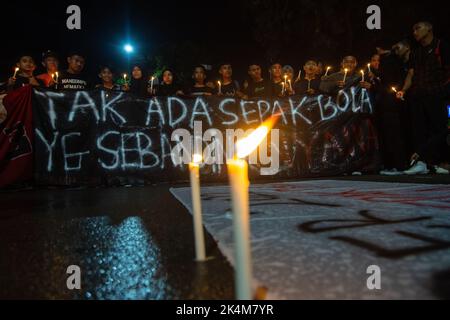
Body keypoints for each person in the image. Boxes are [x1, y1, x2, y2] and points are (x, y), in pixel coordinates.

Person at [396, 21, 450, 174]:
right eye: (413, 29)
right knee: (419, 130)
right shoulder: (416, 53)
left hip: (437, 94)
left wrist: (444, 90)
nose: (415, 32)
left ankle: (442, 162)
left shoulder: (442, 46)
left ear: (429, 28)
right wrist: (404, 90)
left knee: (439, 128)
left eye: (418, 28)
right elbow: (411, 74)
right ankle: (422, 163)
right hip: (418, 95)